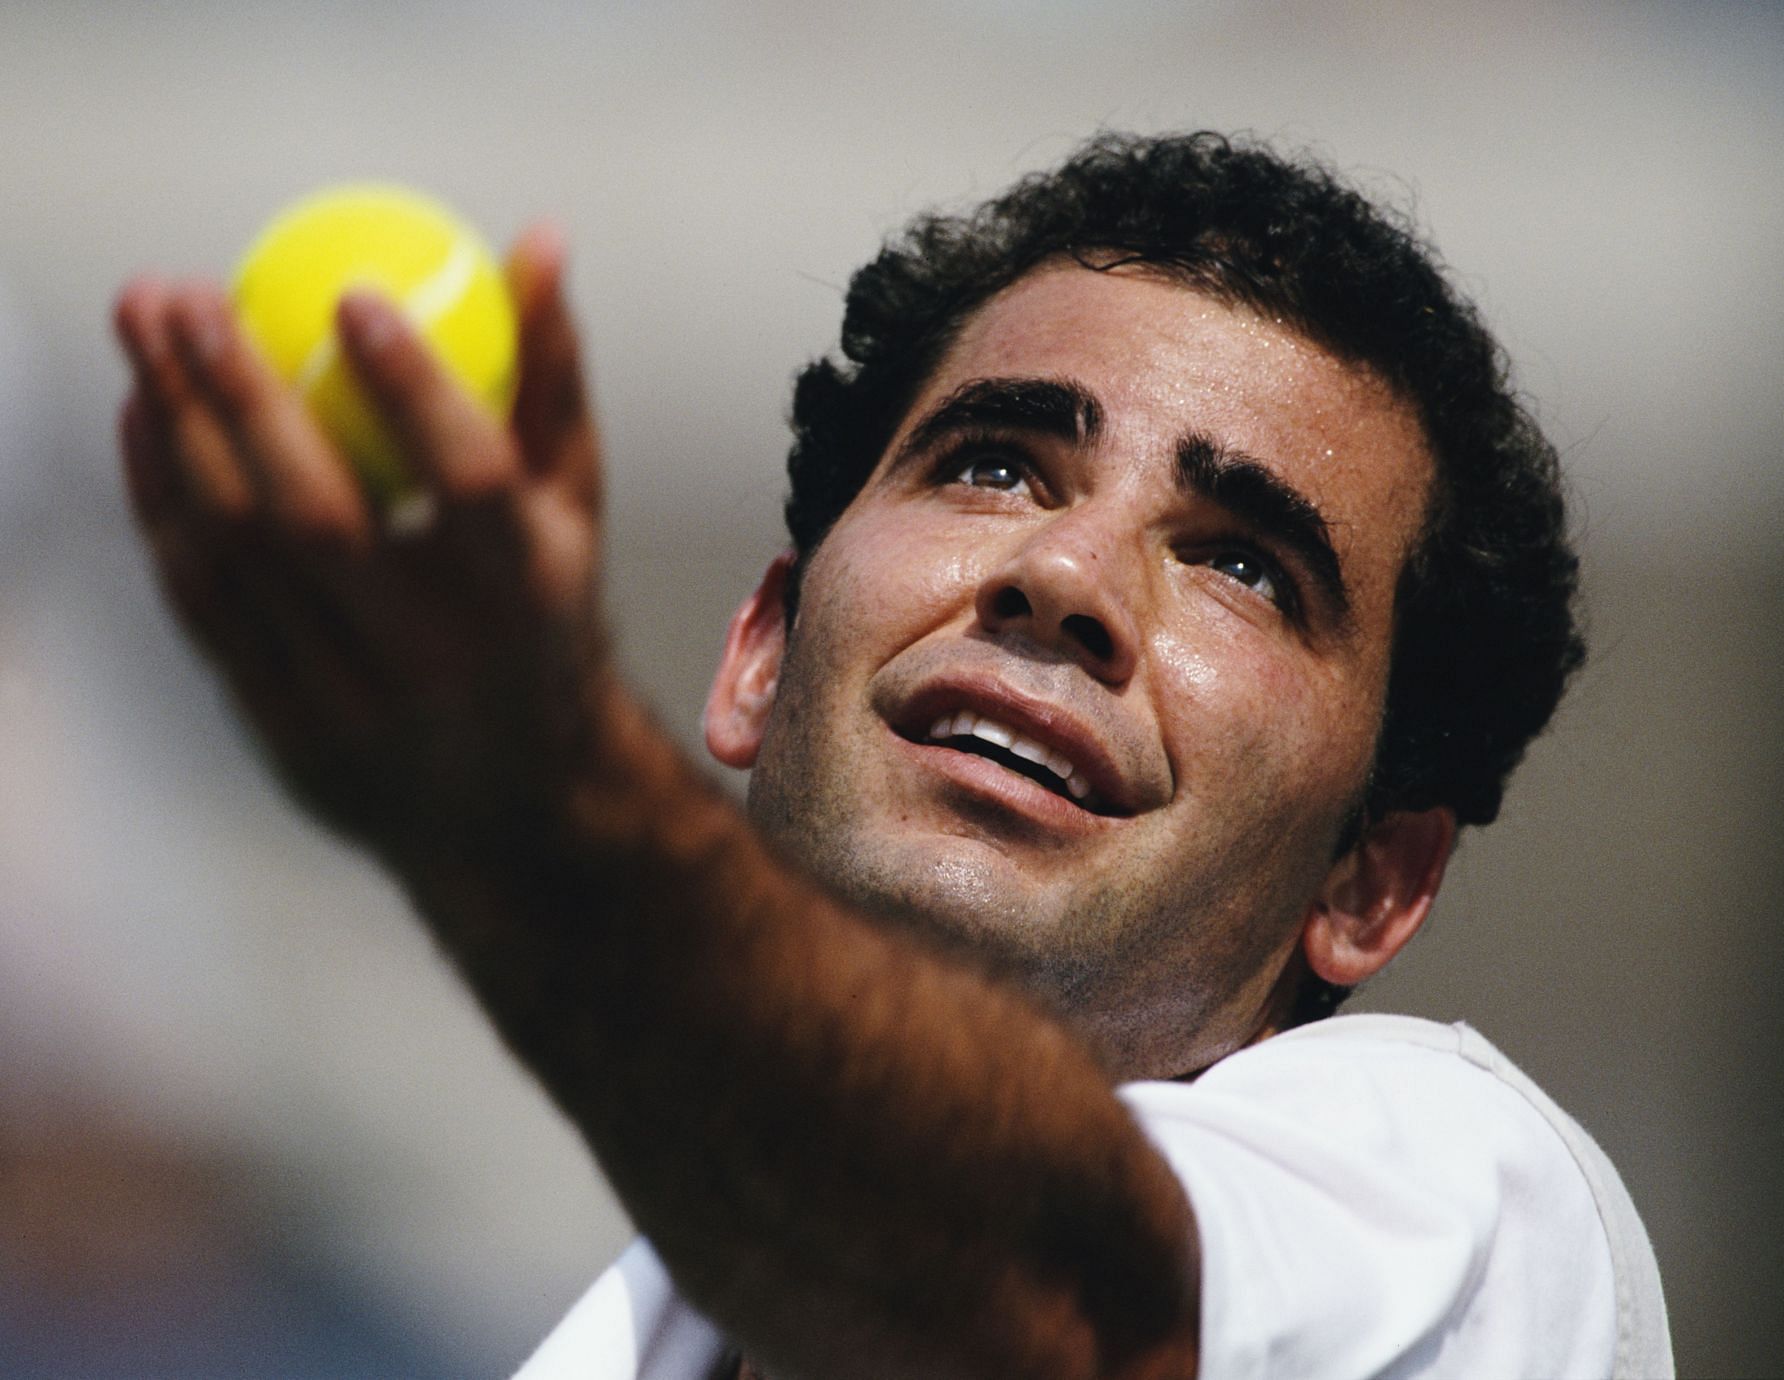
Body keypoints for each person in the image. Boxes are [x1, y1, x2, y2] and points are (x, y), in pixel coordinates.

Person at [112, 132, 1672, 1379]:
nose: (1066, 578)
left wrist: (542, 803)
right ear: (762, 654)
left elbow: (1059, 1316)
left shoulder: (1475, 1234)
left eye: (1244, 564)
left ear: (1372, 879)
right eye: (996, 462)